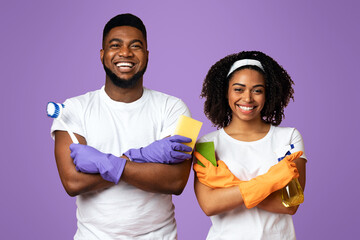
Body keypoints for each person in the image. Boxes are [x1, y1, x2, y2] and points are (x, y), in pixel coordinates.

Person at [50, 13, 194, 239]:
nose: (125, 53)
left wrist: (108, 163)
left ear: (146, 55)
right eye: (115, 45)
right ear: (102, 55)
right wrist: (144, 160)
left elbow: (176, 181)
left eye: (135, 46)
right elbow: (73, 182)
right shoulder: (72, 109)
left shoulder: (176, 108)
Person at [193, 51, 307, 239]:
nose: (247, 98)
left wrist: (227, 187)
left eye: (257, 90)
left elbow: (290, 204)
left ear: (267, 94)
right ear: (226, 92)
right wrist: (270, 181)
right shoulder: (207, 144)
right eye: (238, 89)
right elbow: (210, 205)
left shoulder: (289, 137)